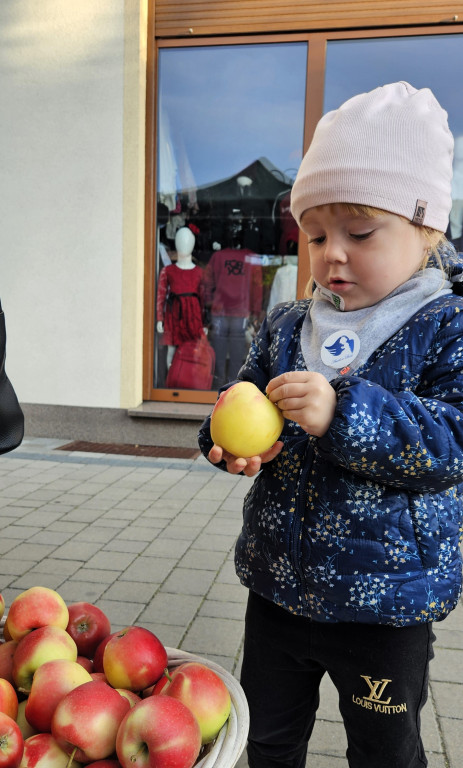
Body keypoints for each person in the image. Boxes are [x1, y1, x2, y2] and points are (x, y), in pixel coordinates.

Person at [198, 81, 463, 768]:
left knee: (382, 750)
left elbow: (451, 442)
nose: (331, 254)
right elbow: (246, 396)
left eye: (359, 232)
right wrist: (225, 439)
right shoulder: (290, 322)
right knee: (265, 735)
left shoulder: (445, 328)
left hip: (384, 608)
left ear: (427, 226)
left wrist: (342, 412)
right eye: (313, 234)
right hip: (279, 588)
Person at [156, 226, 206, 368]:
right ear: (176, 244)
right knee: (172, 351)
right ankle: (173, 382)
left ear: (193, 243)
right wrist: (159, 319)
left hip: (193, 315)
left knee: (193, 350)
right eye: (180, 241)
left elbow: (203, 299)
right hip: (174, 314)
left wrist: (205, 322)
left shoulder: (199, 272)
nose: (184, 244)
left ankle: (189, 381)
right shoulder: (168, 270)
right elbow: (161, 295)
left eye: (187, 241)